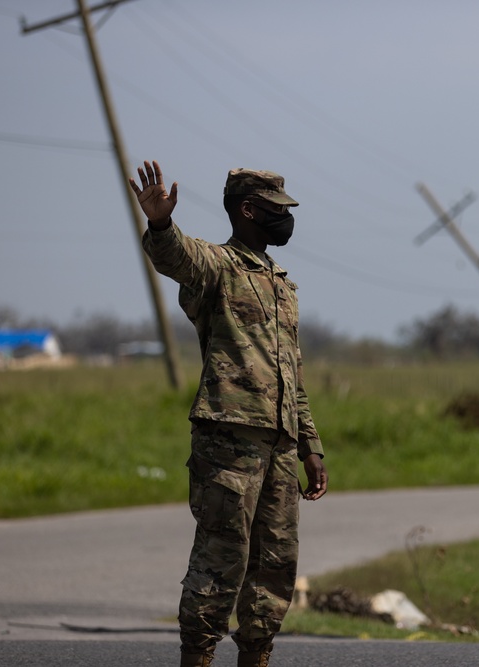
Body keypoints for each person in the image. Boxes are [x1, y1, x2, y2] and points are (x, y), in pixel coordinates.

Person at [129, 160, 329, 667]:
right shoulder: (218, 266)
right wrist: (160, 224)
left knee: (275, 564)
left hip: (281, 444)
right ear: (247, 211)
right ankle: (198, 655)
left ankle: (256, 656)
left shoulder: (282, 284)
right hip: (229, 440)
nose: (285, 221)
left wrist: (311, 446)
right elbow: (178, 257)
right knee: (223, 558)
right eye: (275, 211)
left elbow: (293, 376)